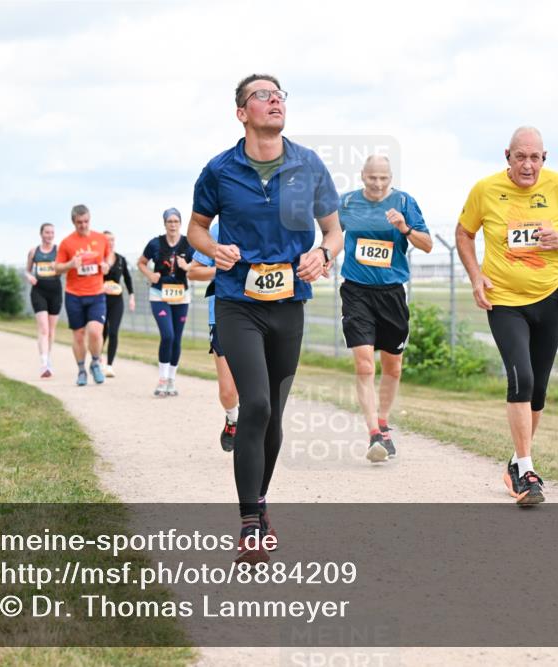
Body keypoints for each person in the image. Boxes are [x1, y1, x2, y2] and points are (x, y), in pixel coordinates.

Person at [187, 73, 343, 563]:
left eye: (279, 95)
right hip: (237, 300)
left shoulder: (308, 165)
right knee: (254, 404)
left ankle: (259, 500)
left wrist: (324, 254)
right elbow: (196, 229)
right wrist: (213, 248)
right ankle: (249, 524)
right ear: (242, 113)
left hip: (289, 303)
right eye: (262, 95)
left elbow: (334, 230)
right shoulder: (219, 170)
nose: (274, 100)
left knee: (273, 411)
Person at [455, 126, 558, 505]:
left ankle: (516, 464)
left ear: (544, 158)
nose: (528, 165)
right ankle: (528, 472)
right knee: (522, 379)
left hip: (549, 298)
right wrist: (475, 276)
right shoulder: (485, 190)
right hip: (504, 301)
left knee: (539, 391)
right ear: (508, 156)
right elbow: (464, 233)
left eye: (535, 157)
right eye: (520, 157)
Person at [338, 155, 433, 463]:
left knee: (393, 368)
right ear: (362, 176)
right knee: (365, 365)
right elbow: (331, 234)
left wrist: (405, 228)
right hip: (356, 291)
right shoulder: (347, 203)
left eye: (383, 178)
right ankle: (374, 435)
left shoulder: (404, 202)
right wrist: (323, 256)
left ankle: (383, 422)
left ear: (391, 177)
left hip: (392, 293)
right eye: (372, 178)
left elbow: (428, 244)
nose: (378, 184)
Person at [189, 221, 240, 452]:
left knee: (258, 390)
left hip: (262, 313)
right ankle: (232, 418)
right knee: (228, 392)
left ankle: (253, 433)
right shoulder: (219, 229)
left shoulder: (266, 221)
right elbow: (193, 271)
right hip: (222, 314)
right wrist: (222, 269)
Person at [137, 208, 194, 397]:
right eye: (170, 221)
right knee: (167, 335)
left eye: (176, 221)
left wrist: (188, 266)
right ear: (164, 223)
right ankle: (162, 379)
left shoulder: (188, 244)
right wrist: (150, 274)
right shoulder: (155, 243)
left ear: (180, 223)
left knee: (177, 338)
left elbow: (200, 264)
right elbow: (141, 262)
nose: (173, 225)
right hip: (159, 294)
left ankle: (171, 380)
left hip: (181, 295)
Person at [56, 204, 112, 387]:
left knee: (95, 331)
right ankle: (81, 370)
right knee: (79, 335)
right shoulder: (67, 243)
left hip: (96, 293)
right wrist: (70, 264)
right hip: (74, 294)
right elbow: (57, 268)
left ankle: (95, 362)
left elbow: (109, 256)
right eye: (79, 222)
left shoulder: (100, 238)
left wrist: (107, 265)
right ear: (73, 222)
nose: (83, 225)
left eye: (86, 221)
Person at [25, 223, 62, 377]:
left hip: (55, 291)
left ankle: (48, 357)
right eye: (47, 232)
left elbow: (64, 268)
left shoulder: (59, 251)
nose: (49, 235)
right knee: (44, 329)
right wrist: (29, 277)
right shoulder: (34, 251)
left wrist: (57, 267)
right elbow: (27, 271)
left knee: (51, 330)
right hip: (39, 291)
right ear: (41, 234)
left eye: (52, 232)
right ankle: (44, 363)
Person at [101, 230, 135, 378]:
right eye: (107, 240)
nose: (110, 243)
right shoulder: (98, 259)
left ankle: (109, 366)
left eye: (112, 240)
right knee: (102, 331)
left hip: (116, 300)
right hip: (100, 300)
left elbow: (127, 278)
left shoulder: (120, 259)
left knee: (113, 331)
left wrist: (131, 296)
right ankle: (97, 359)